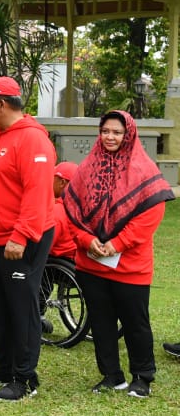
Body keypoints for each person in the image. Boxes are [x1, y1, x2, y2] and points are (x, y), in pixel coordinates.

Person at [63, 111, 172, 398]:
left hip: (130, 266)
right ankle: (112, 375)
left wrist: (119, 243)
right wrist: (87, 239)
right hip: (92, 263)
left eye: (117, 132)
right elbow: (72, 212)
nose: (110, 137)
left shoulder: (143, 168)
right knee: (101, 323)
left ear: (129, 135)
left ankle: (142, 377)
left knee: (136, 324)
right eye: (105, 131)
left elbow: (151, 212)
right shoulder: (87, 167)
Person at [0, 76, 56, 401]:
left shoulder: (33, 141)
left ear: (1, 104)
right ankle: (1, 366)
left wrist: (21, 236)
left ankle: (24, 376)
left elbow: (37, 194)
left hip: (20, 241)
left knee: (21, 307)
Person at [50, 162, 78, 260]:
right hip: (74, 260)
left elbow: (45, 245)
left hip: (56, 263)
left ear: (62, 182)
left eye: (51, 178)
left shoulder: (57, 211)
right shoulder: (82, 209)